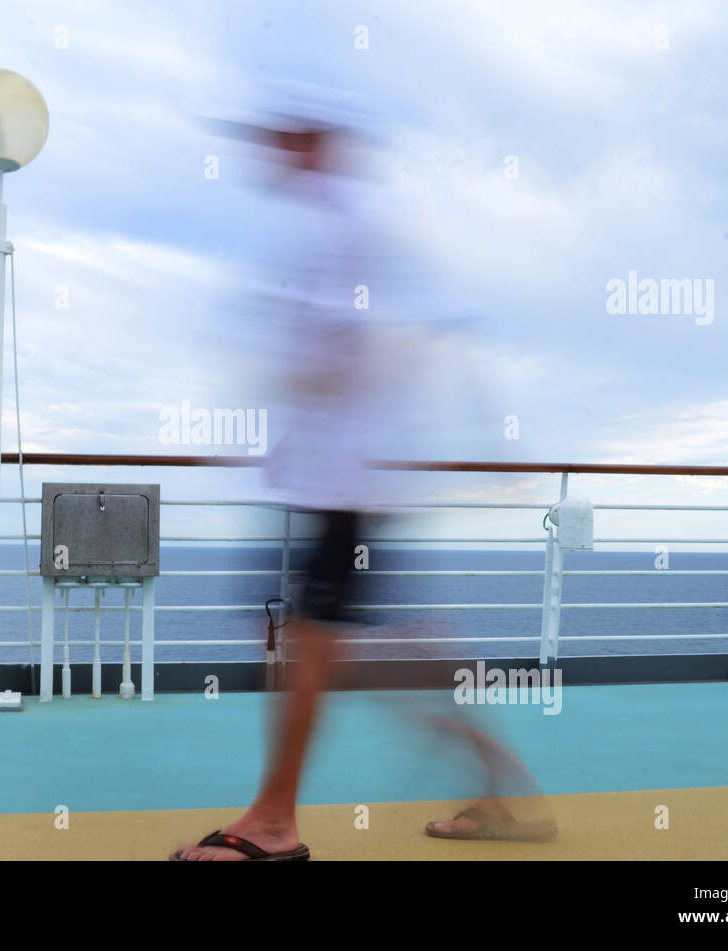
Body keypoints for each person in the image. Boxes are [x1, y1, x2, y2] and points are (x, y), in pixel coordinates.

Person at [171, 97, 553, 861]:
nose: (269, 146)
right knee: (357, 644)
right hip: (342, 480)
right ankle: (499, 782)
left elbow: (344, 348)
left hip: (344, 481)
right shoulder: (340, 218)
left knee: (307, 638)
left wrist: (281, 396)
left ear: (315, 136)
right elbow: (426, 331)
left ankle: (275, 822)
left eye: (282, 132)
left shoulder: (348, 223)